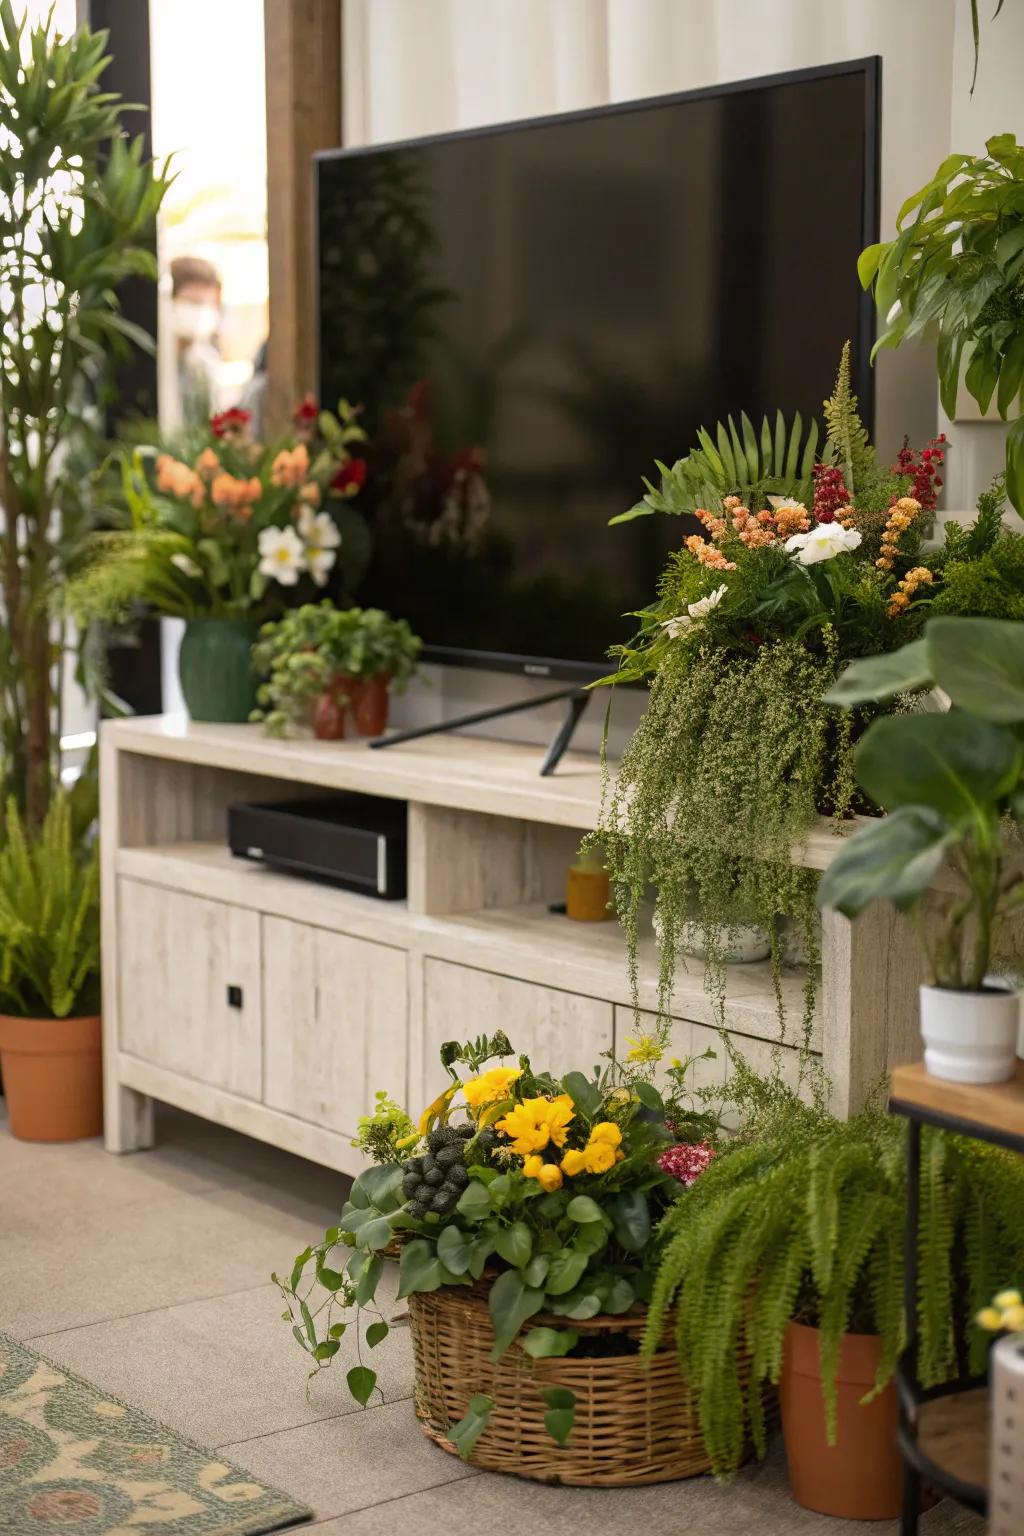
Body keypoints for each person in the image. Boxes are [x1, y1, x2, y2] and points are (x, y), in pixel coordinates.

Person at [169, 255, 222, 426]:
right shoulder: (158, 364)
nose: (201, 313)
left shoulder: (204, 363)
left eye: (208, 304)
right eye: (193, 302)